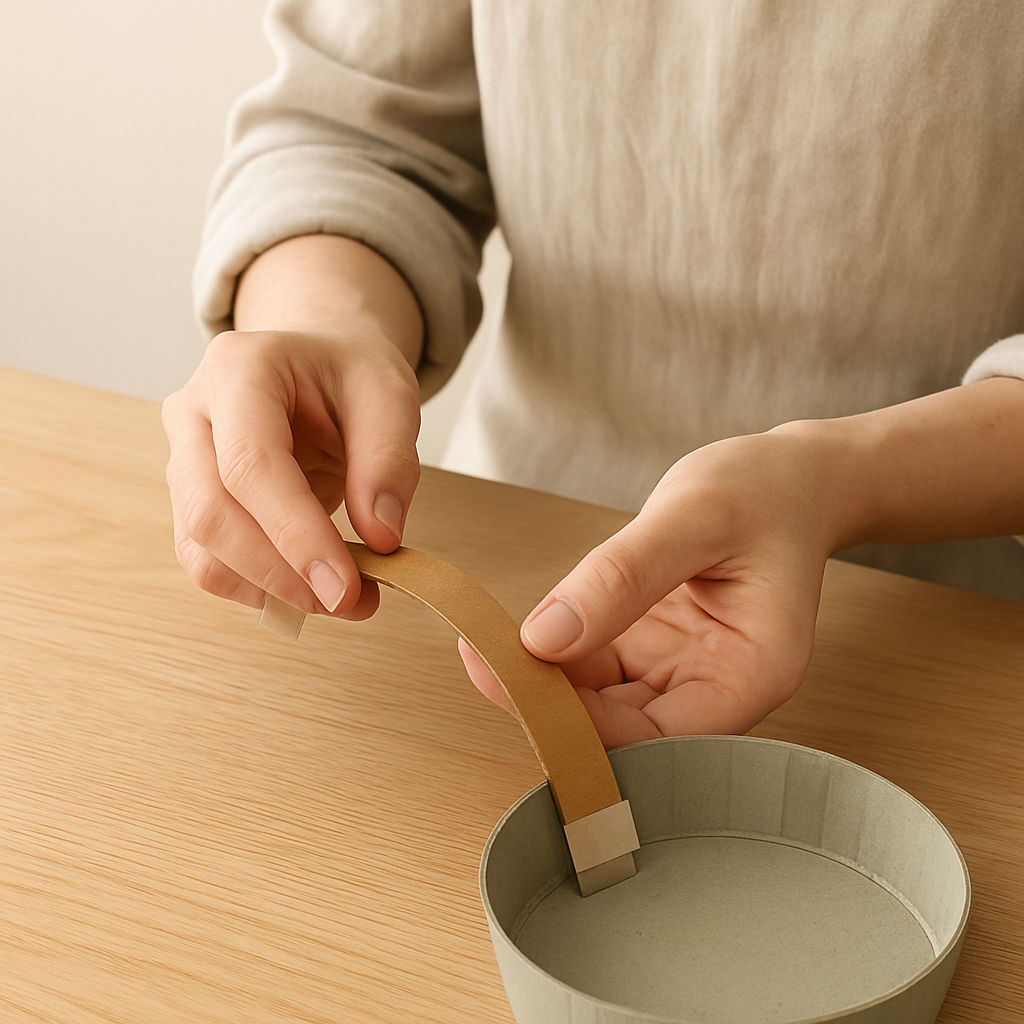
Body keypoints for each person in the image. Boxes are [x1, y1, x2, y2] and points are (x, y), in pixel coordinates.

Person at [162, 1, 1024, 749]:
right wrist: (321, 328)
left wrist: (845, 480)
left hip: (967, 647)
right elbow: (357, 130)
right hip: (521, 551)